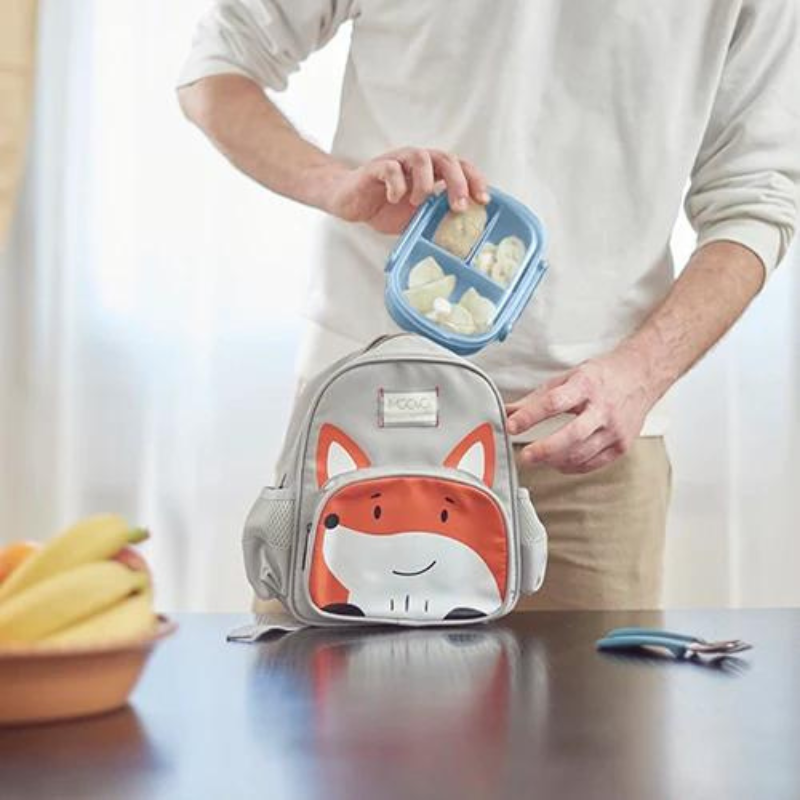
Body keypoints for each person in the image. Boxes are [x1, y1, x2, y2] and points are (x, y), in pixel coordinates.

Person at [177, 0, 800, 610]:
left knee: (594, 687)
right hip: (366, 417)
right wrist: (336, 185)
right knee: (312, 681)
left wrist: (642, 373)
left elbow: (758, 194)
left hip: (588, 446)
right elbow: (217, 66)